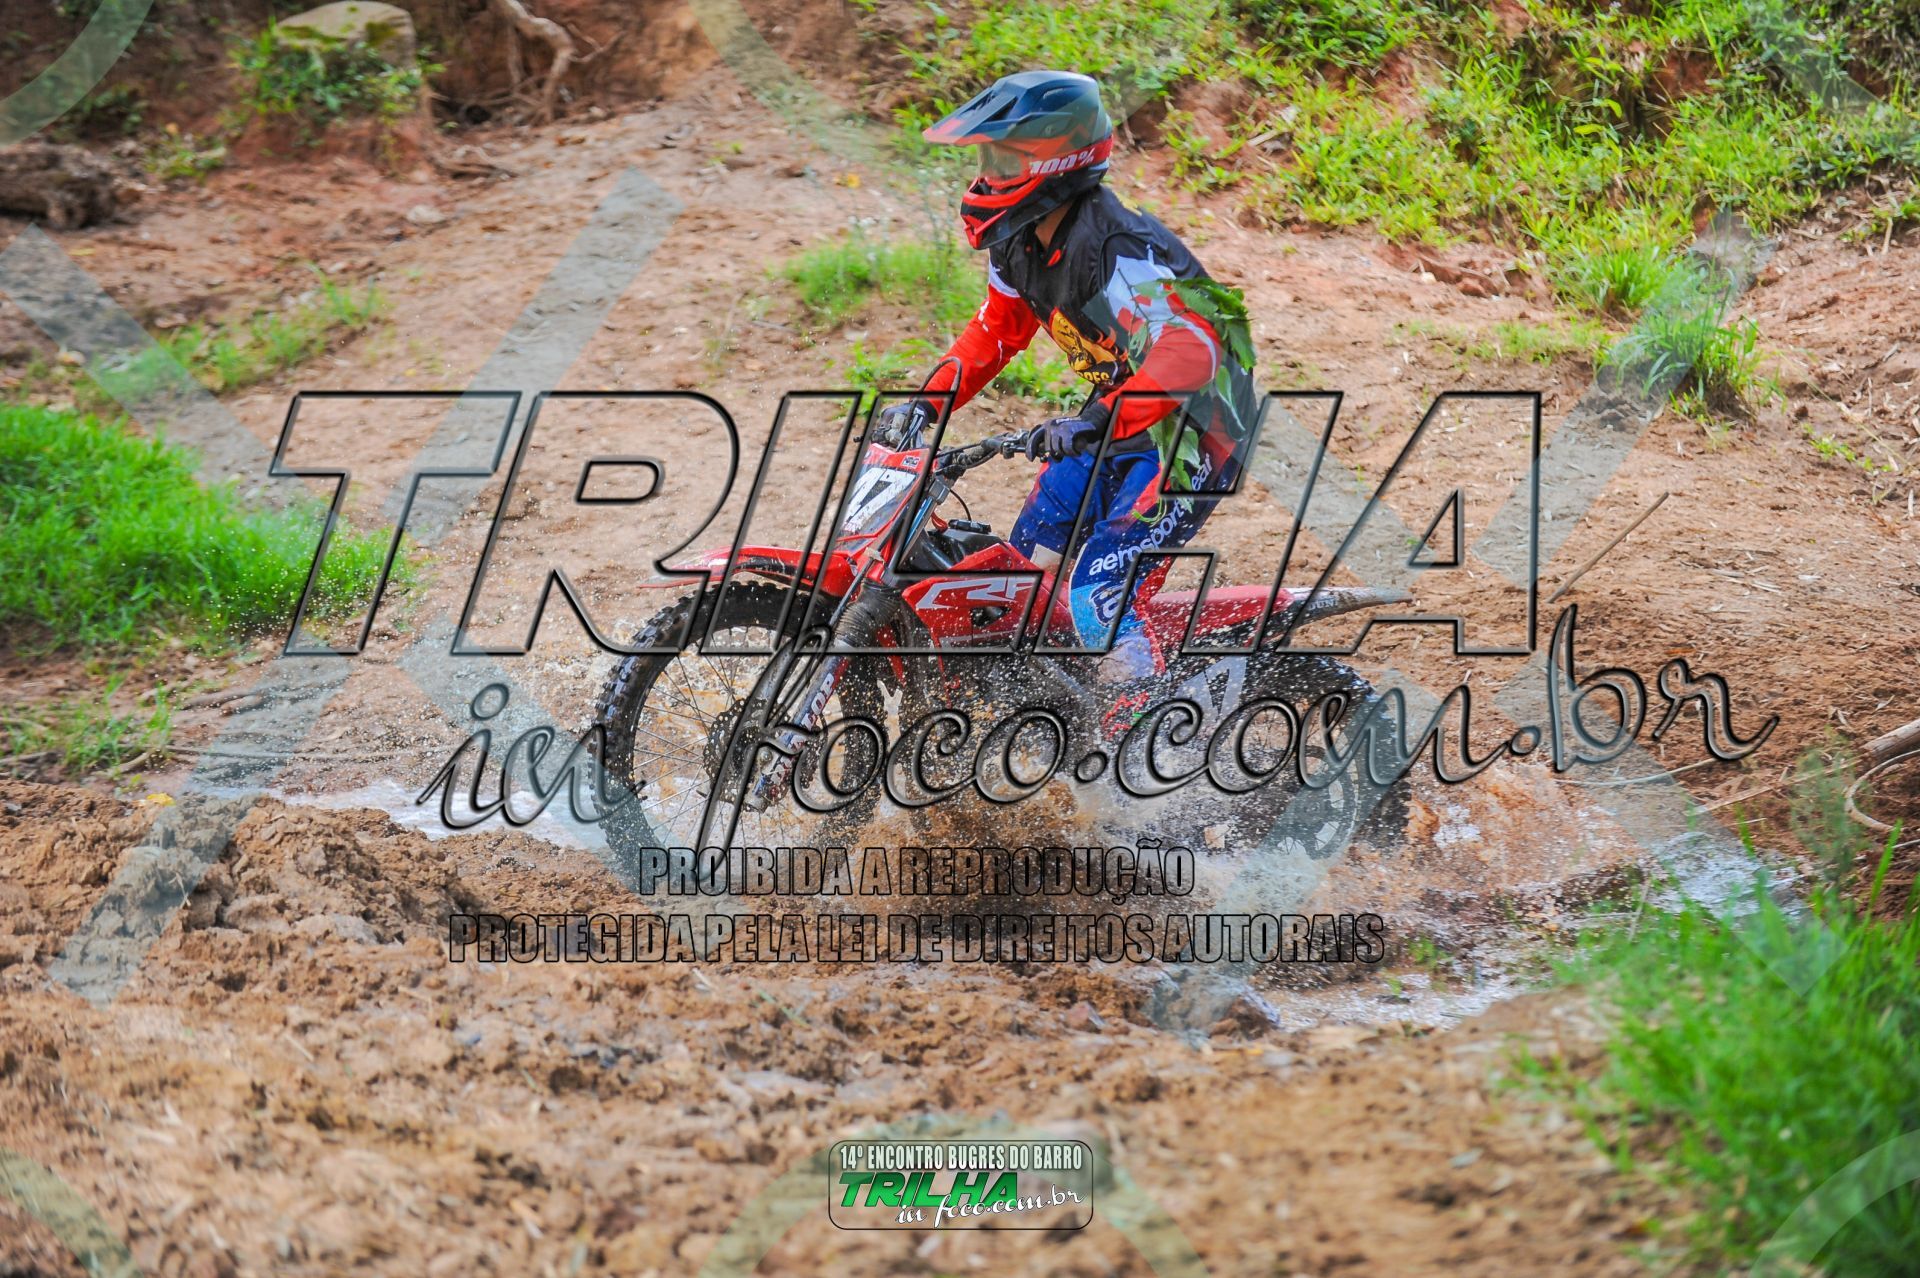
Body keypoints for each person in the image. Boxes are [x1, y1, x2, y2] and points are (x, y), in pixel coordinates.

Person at [880, 69, 1259, 686]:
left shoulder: (1114, 250)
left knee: (1096, 593)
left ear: (1055, 162)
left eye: (1004, 161)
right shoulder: (1019, 242)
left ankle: (1142, 730)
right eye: (986, 160)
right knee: (1023, 580)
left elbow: (1192, 352)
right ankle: (1057, 704)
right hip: (1114, 420)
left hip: (1193, 436)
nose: (987, 175)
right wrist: (925, 405)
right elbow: (995, 333)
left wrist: (1098, 418)